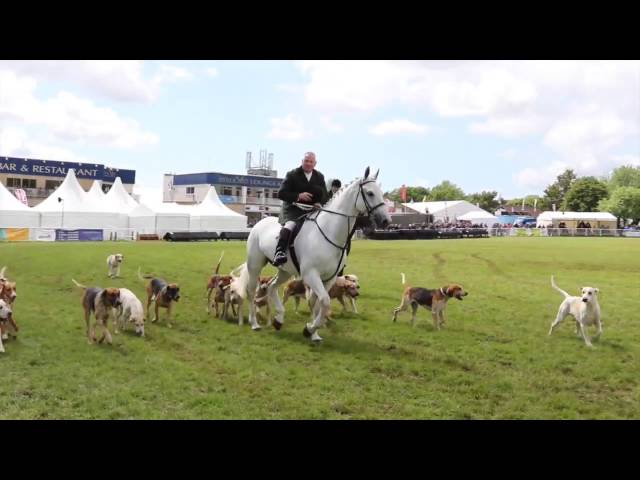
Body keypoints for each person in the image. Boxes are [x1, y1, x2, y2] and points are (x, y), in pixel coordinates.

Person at [273, 152, 329, 267]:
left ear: (315, 163)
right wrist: (298, 196)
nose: (308, 164)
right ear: (302, 161)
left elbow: (325, 195)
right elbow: (281, 193)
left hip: (312, 210)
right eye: (306, 161)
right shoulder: (292, 174)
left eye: (311, 162)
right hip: (293, 209)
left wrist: (319, 202)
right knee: (290, 225)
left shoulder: (320, 176)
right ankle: (279, 252)